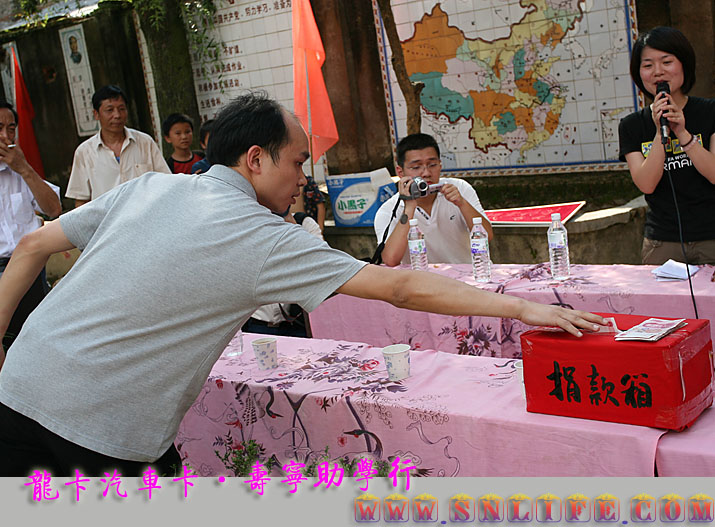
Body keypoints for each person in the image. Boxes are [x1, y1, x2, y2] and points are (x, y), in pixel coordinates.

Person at [0, 92, 603, 476]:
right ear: (256, 159)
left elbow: (31, 246)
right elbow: (400, 288)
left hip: (17, 390)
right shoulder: (263, 235)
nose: (303, 178)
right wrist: (525, 309)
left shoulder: (152, 185)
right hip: (104, 435)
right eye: (297, 162)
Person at [619, 26, 715, 265]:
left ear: (684, 64)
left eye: (666, 62)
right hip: (662, 243)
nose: (658, 72)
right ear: (639, 73)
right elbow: (646, 184)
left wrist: (682, 132)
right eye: (648, 65)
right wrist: (659, 132)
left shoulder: (710, 112)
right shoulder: (631, 126)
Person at [374, 133, 493, 266]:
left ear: (440, 165)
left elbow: (487, 237)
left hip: (471, 274)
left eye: (432, 165)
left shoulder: (459, 188)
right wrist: (409, 208)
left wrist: (462, 203)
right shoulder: (388, 210)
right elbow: (390, 260)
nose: (426, 173)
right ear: (400, 172)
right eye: (416, 167)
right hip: (424, 281)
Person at [0, 102, 61, 353]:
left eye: (11, 129)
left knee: (38, 345)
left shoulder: (21, 172)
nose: (5, 136)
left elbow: (54, 209)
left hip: (30, 270)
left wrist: (24, 168)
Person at [65, 85, 170, 207]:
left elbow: (165, 182)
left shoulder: (145, 142)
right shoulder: (84, 152)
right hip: (107, 224)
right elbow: (81, 201)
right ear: (96, 114)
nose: (117, 115)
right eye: (109, 110)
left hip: (146, 218)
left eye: (121, 109)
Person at [242, 208, 322, 337]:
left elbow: (319, 264)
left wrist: (293, 227)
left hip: (298, 323)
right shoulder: (247, 227)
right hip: (257, 325)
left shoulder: (305, 223)